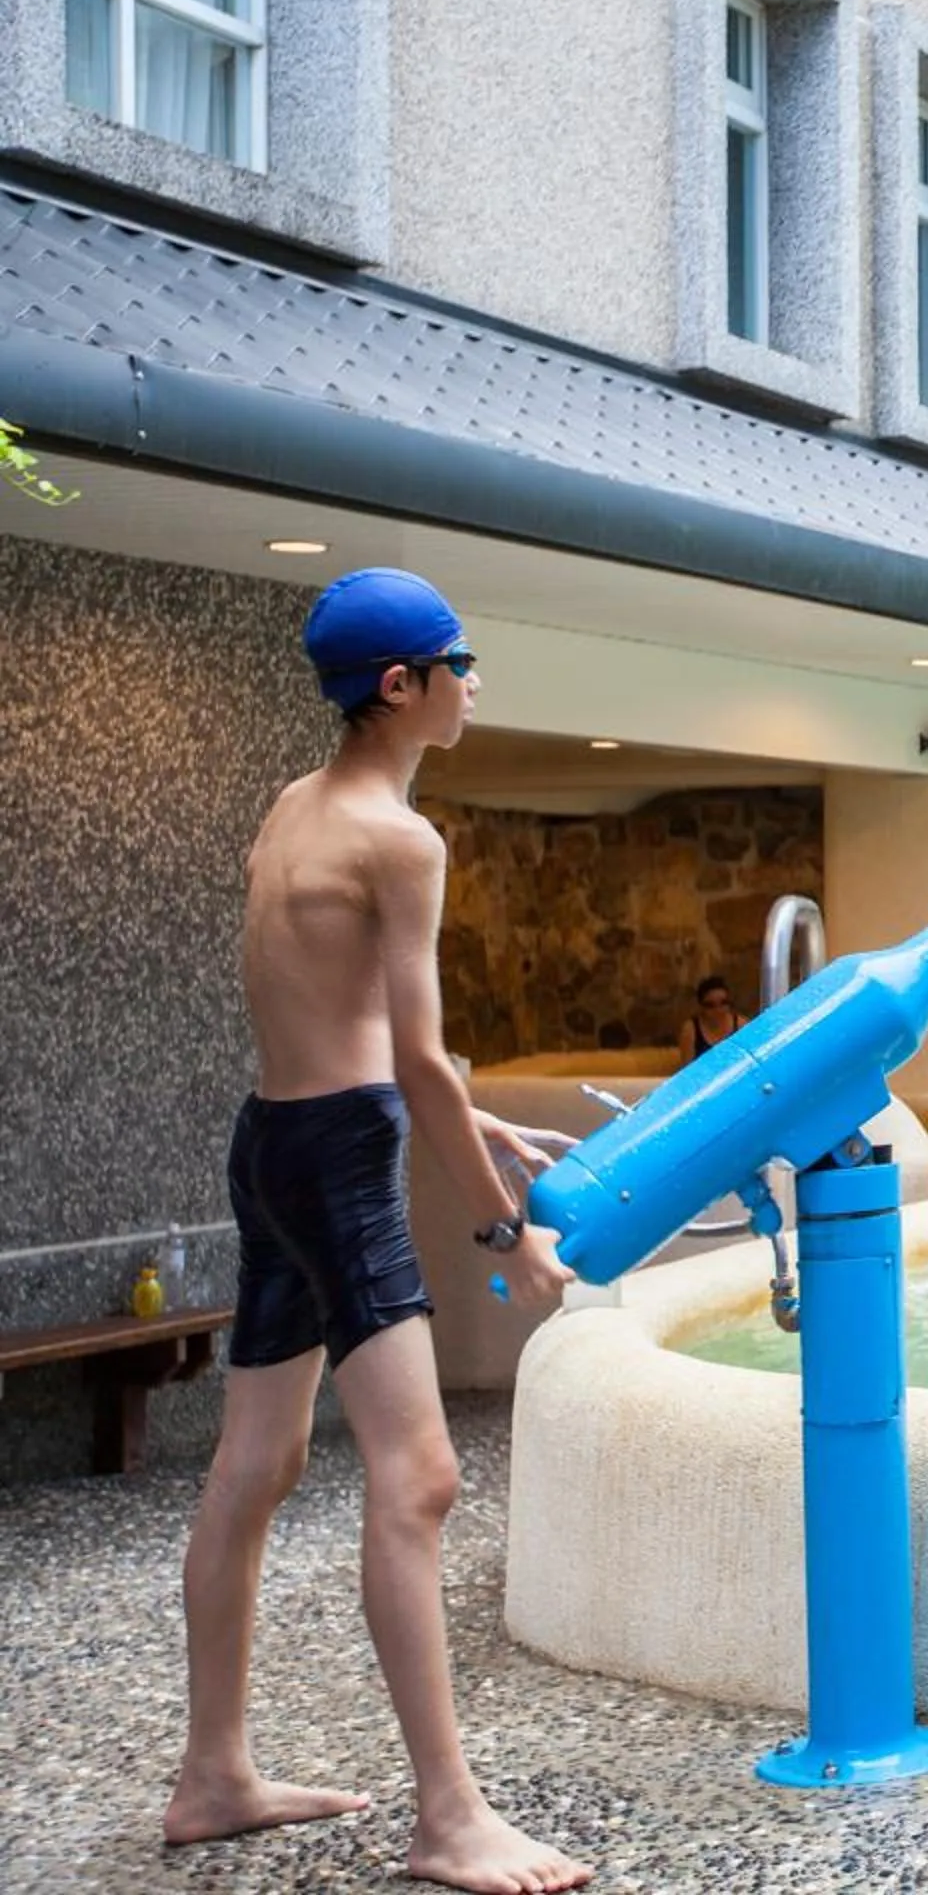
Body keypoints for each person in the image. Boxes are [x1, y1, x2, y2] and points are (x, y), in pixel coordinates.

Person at [173, 569, 590, 1892]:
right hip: (344, 1160)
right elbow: (410, 1066)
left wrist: (485, 1121)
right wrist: (505, 1229)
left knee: (256, 1462)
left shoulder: (297, 808)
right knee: (419, 1479)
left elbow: (363, 1028)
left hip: (274, 1143)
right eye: (458, 660)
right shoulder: (401, 842)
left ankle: (213, 1774)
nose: (477, 681)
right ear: (399, 686)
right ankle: (450, 1818)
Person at [679, 974, 743, 1060]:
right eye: (710, 1005)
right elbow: (688, 1069)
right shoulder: (691, 1030)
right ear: (701, 1007)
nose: (718, 1010)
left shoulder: (740, 1025)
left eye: (723, 1003)